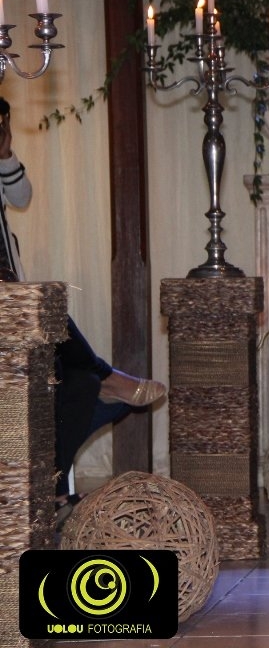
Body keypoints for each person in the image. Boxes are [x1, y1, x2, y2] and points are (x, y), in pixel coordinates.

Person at [0, 96, 166, 524]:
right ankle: (107, 377)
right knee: (54, 325)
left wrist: (5, 153)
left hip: (11, 310)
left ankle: (54, 492)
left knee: (78, 381)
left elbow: (21, 195)